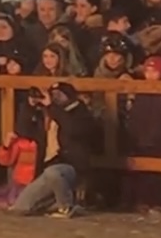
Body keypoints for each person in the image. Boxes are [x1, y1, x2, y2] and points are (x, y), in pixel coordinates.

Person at [12, 83, 102, 218]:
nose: (55, 98)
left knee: (53, 172)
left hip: (73, 167)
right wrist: (30, 108)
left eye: (59, 94)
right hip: (48, 167)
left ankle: (66, 207)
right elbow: (23, 131)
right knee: (21, 207)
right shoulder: (49, 113)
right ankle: (56, 202)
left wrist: (51, 107)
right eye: (53, 95)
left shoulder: (81, 113)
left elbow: (71, 129)